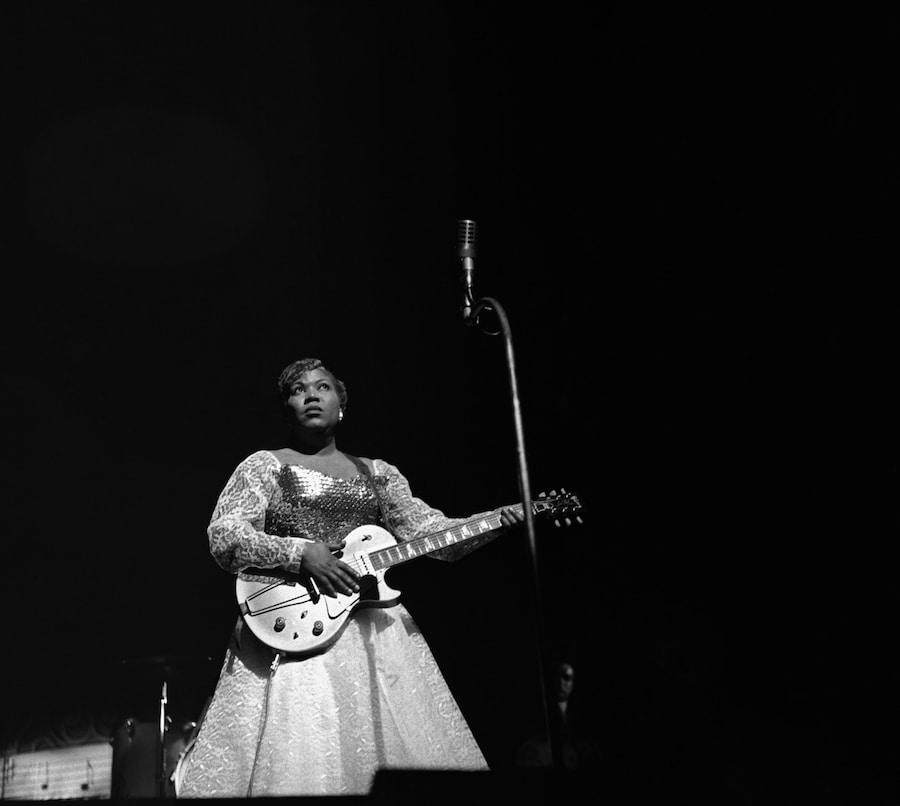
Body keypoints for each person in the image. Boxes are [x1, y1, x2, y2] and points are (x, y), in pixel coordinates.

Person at [176, 357, 524, 797]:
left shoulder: (378, 475)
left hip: (375, 639)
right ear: (287, 408)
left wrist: (502, 519)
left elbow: (433, 535)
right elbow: (225, 536)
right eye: (298, 390)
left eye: (322, 387)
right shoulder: (265, 466)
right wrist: (300, 554)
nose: (310, 395)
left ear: (342, 403)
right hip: (291, 633)